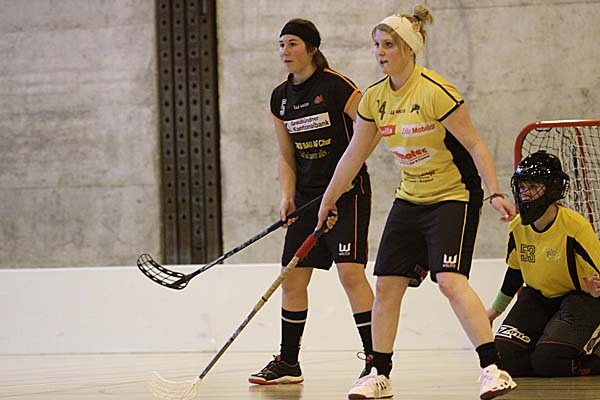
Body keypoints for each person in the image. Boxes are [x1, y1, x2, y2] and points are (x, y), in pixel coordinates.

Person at [316, 5, 517, 400]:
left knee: (449, 281)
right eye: (377, 45)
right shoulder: (374, 99)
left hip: (453, 195)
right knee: (386, 284)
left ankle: (493, 369)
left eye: (388, 45)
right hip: (410, 197)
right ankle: (379, 373)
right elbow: (353, 155)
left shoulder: (435, 91)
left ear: (409, 49)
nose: (380, 52)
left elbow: (475, 143)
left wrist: (494, 191)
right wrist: (328, 201)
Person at [248, 19, 375, 385]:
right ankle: (288, 362)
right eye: (281, 45)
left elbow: (372, 128)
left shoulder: (336, 86)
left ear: (312, 48)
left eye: (292, 44)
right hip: (306, 201)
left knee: (350, 273)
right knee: (292, 279)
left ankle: (375, 359)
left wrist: (341, 183)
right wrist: (287, 197)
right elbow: (286, 154)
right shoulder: (280, 98)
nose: (285, 51)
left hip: (347, 194)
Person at [487, 150, 600, 377]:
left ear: (552, 188)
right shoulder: (517, 226)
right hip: (537, 298)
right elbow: (515, 272)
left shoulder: (575, 227)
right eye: (522, 187)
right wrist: (493, 312)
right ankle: (547, 347)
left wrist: (596, 290)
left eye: (533, 186)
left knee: (549, 362)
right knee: (503, 358)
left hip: (579, 299)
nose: (525, 193)